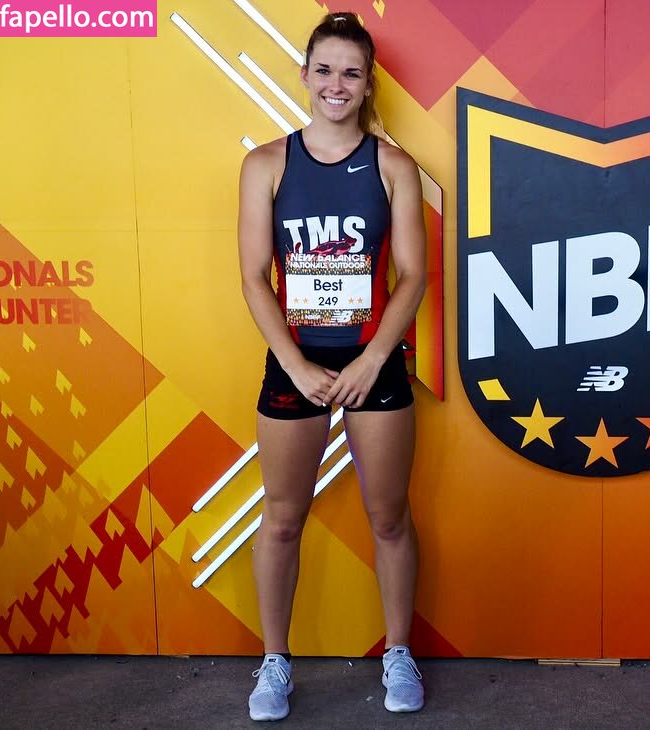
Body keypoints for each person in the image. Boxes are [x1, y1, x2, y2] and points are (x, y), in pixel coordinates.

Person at [236, 12, 427, 721]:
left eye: (351, 72)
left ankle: (399, 653)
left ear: (369, 83)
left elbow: (413, 275)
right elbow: (255, 276)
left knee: (390, 518)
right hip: (297, 363)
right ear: (305, 75)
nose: (336, 84)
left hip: (374, 363)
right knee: (282, 519)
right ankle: (274, 663)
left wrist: (374, 358)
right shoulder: (266, 165)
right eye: (324, 69)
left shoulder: (393, 167)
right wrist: (294, 366)